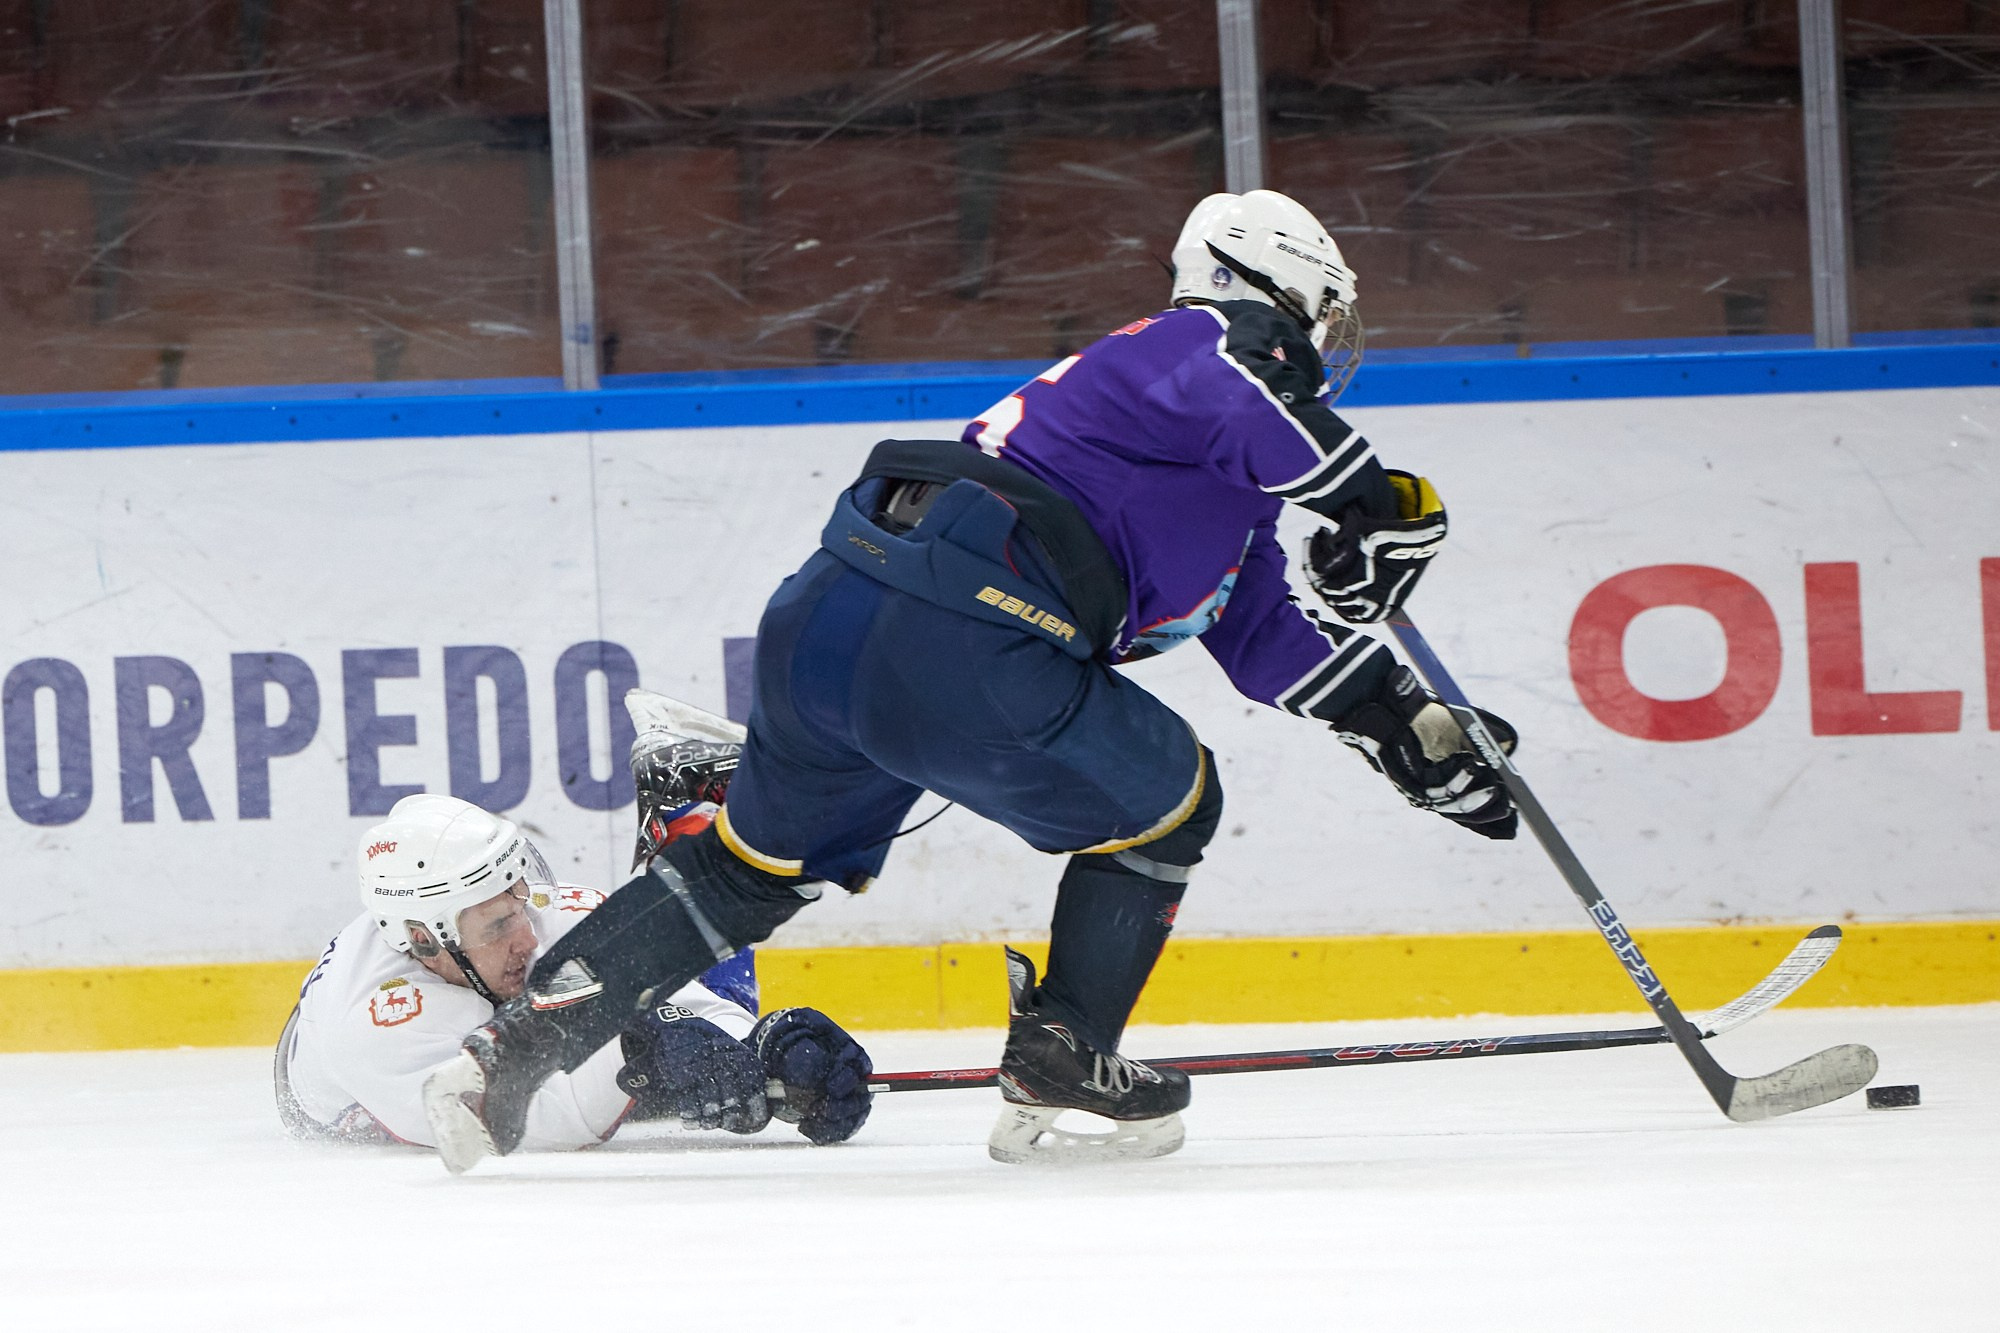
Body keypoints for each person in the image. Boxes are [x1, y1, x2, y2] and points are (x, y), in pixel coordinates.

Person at [421, 188, 1517, 1172]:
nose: (1323, 351)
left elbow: (1261, 624)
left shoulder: (1189, 473)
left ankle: (501, 1062)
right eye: (1319, 320)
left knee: (740, 875)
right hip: (962, 634)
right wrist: (1373, 495)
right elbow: (1238, 384)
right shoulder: (1192, 345)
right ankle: (1064, 1050)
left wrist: (1400, 722)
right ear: (1280, 298)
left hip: (834, 627)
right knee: (1172, 799)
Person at [275, 788, 872, 1151]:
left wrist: (761, 1044)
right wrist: (647, 1040)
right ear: (424, 940)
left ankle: (694, 821)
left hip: (517, 1026)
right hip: (344, 1100)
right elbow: (538, 1118)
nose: (528, 938)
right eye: (495, 928)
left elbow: (683, 1000)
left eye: (519, 905)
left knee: (693, 1022)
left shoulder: (519, 913)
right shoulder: (373, 1025)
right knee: (651, 1067)